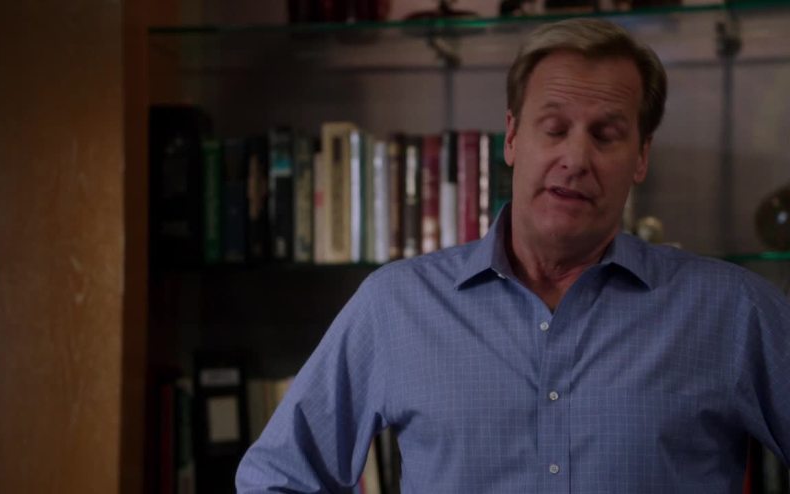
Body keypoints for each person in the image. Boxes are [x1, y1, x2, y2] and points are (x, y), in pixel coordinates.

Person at [236, 18, 790, 493]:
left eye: (606, 135)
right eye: (554, 129)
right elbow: (277, 478)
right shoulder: (395, 305)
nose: (576, 157)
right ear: (511, 137)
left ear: (641, 156)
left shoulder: (732, 311)